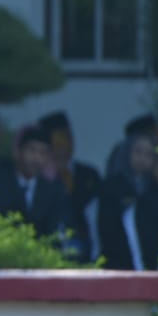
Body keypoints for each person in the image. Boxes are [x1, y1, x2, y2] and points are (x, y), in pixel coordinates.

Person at [0, 125, 74, 243]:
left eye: (42, 153)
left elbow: (58, 230)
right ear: (18, 152)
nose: (36, 158)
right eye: (32, 150)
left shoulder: (54, 190)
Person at [38, 111, 101, 259]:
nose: (64, 145)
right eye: (58, 140)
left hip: (89, 253)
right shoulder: (41, 177)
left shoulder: (88, 174)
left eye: (68, 137)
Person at [97, 130, 158, 270]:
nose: (143, 159)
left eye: (148, 154)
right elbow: (106, 230)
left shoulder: (155, 189)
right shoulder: (111, 187)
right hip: (117, 264)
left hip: (149, 266)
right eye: (138, 152)